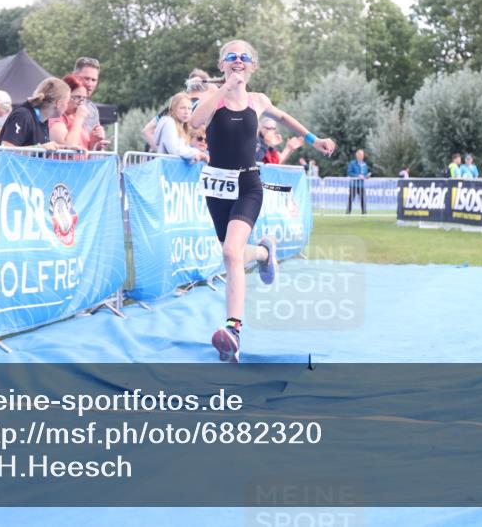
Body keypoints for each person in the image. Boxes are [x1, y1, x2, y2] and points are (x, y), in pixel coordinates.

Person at [190, 39, 335, 362]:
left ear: (253, 66)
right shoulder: (213, 98)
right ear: (222, 65)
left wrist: (315, 140)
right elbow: (196, 123)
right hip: (217, 187)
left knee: (231, 252)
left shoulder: (258, 100)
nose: (238, 60)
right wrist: (224, 88)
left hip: (248, 185)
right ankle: (265, 252)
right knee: (234, 254)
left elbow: (284, 118)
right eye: (231, 56)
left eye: (245, 57)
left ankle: (233, 330)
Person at [142, 69, 213, 150]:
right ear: (207, 87)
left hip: (178, 155)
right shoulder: (209, 107)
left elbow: (147, 130)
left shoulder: (173, 107)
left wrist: (165, 152)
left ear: (188, 85)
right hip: (202, 156)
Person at [0, 77, 70, 150]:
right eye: (67, 102)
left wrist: (65, 148)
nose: (67, 106)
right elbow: (7, 149)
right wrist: (40, 148)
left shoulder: (43, 119)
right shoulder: (22, 115)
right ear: (58, 103)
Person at [49, 74, 109, 151]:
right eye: (77, 97)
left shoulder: (76, 117)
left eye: (84, 98)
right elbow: (68, 148)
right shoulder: (56, 117)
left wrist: (95, 142)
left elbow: (84, 149)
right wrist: (79, 118)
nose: (81, 102)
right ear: (64, 96)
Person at [155, 92, 208, 163]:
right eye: (183, 108)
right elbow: (174, 150)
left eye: (189, 108)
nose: (186, 112)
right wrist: (196, 153)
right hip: (166, 168)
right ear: (173, 109)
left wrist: (196, 155)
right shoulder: (169, 123)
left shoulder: (183, 126)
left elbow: (183, 150)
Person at [346, 149, 369, 214]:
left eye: (362, 155)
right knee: (351, 199)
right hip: (353, 184)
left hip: (361, 185)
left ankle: (364, 213)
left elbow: (365, 174)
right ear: (357, 155)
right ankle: (348, 212)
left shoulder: (364, 164)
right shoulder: (352, 163)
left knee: (363, 199)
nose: (362, 156)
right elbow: (349, 173)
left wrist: (366, 176)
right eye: (360, 154)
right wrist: (358, 176)